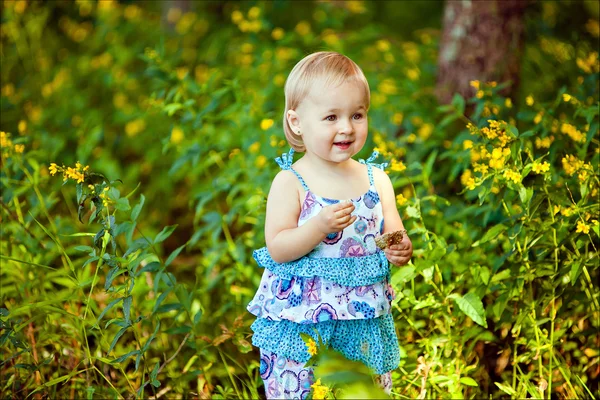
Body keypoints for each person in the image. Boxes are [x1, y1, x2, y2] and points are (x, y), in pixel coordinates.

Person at [247, 51, 413, 399]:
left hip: (361, 314)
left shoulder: (376, 180)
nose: (347, 128)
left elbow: (391, 235)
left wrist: (400, 248)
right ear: (296, 122)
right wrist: (318, 226)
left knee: (358, 388)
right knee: (303, 389)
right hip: (302, 317)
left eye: (357, 114)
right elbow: (278, 248)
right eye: (331, 117)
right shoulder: (290, 182)